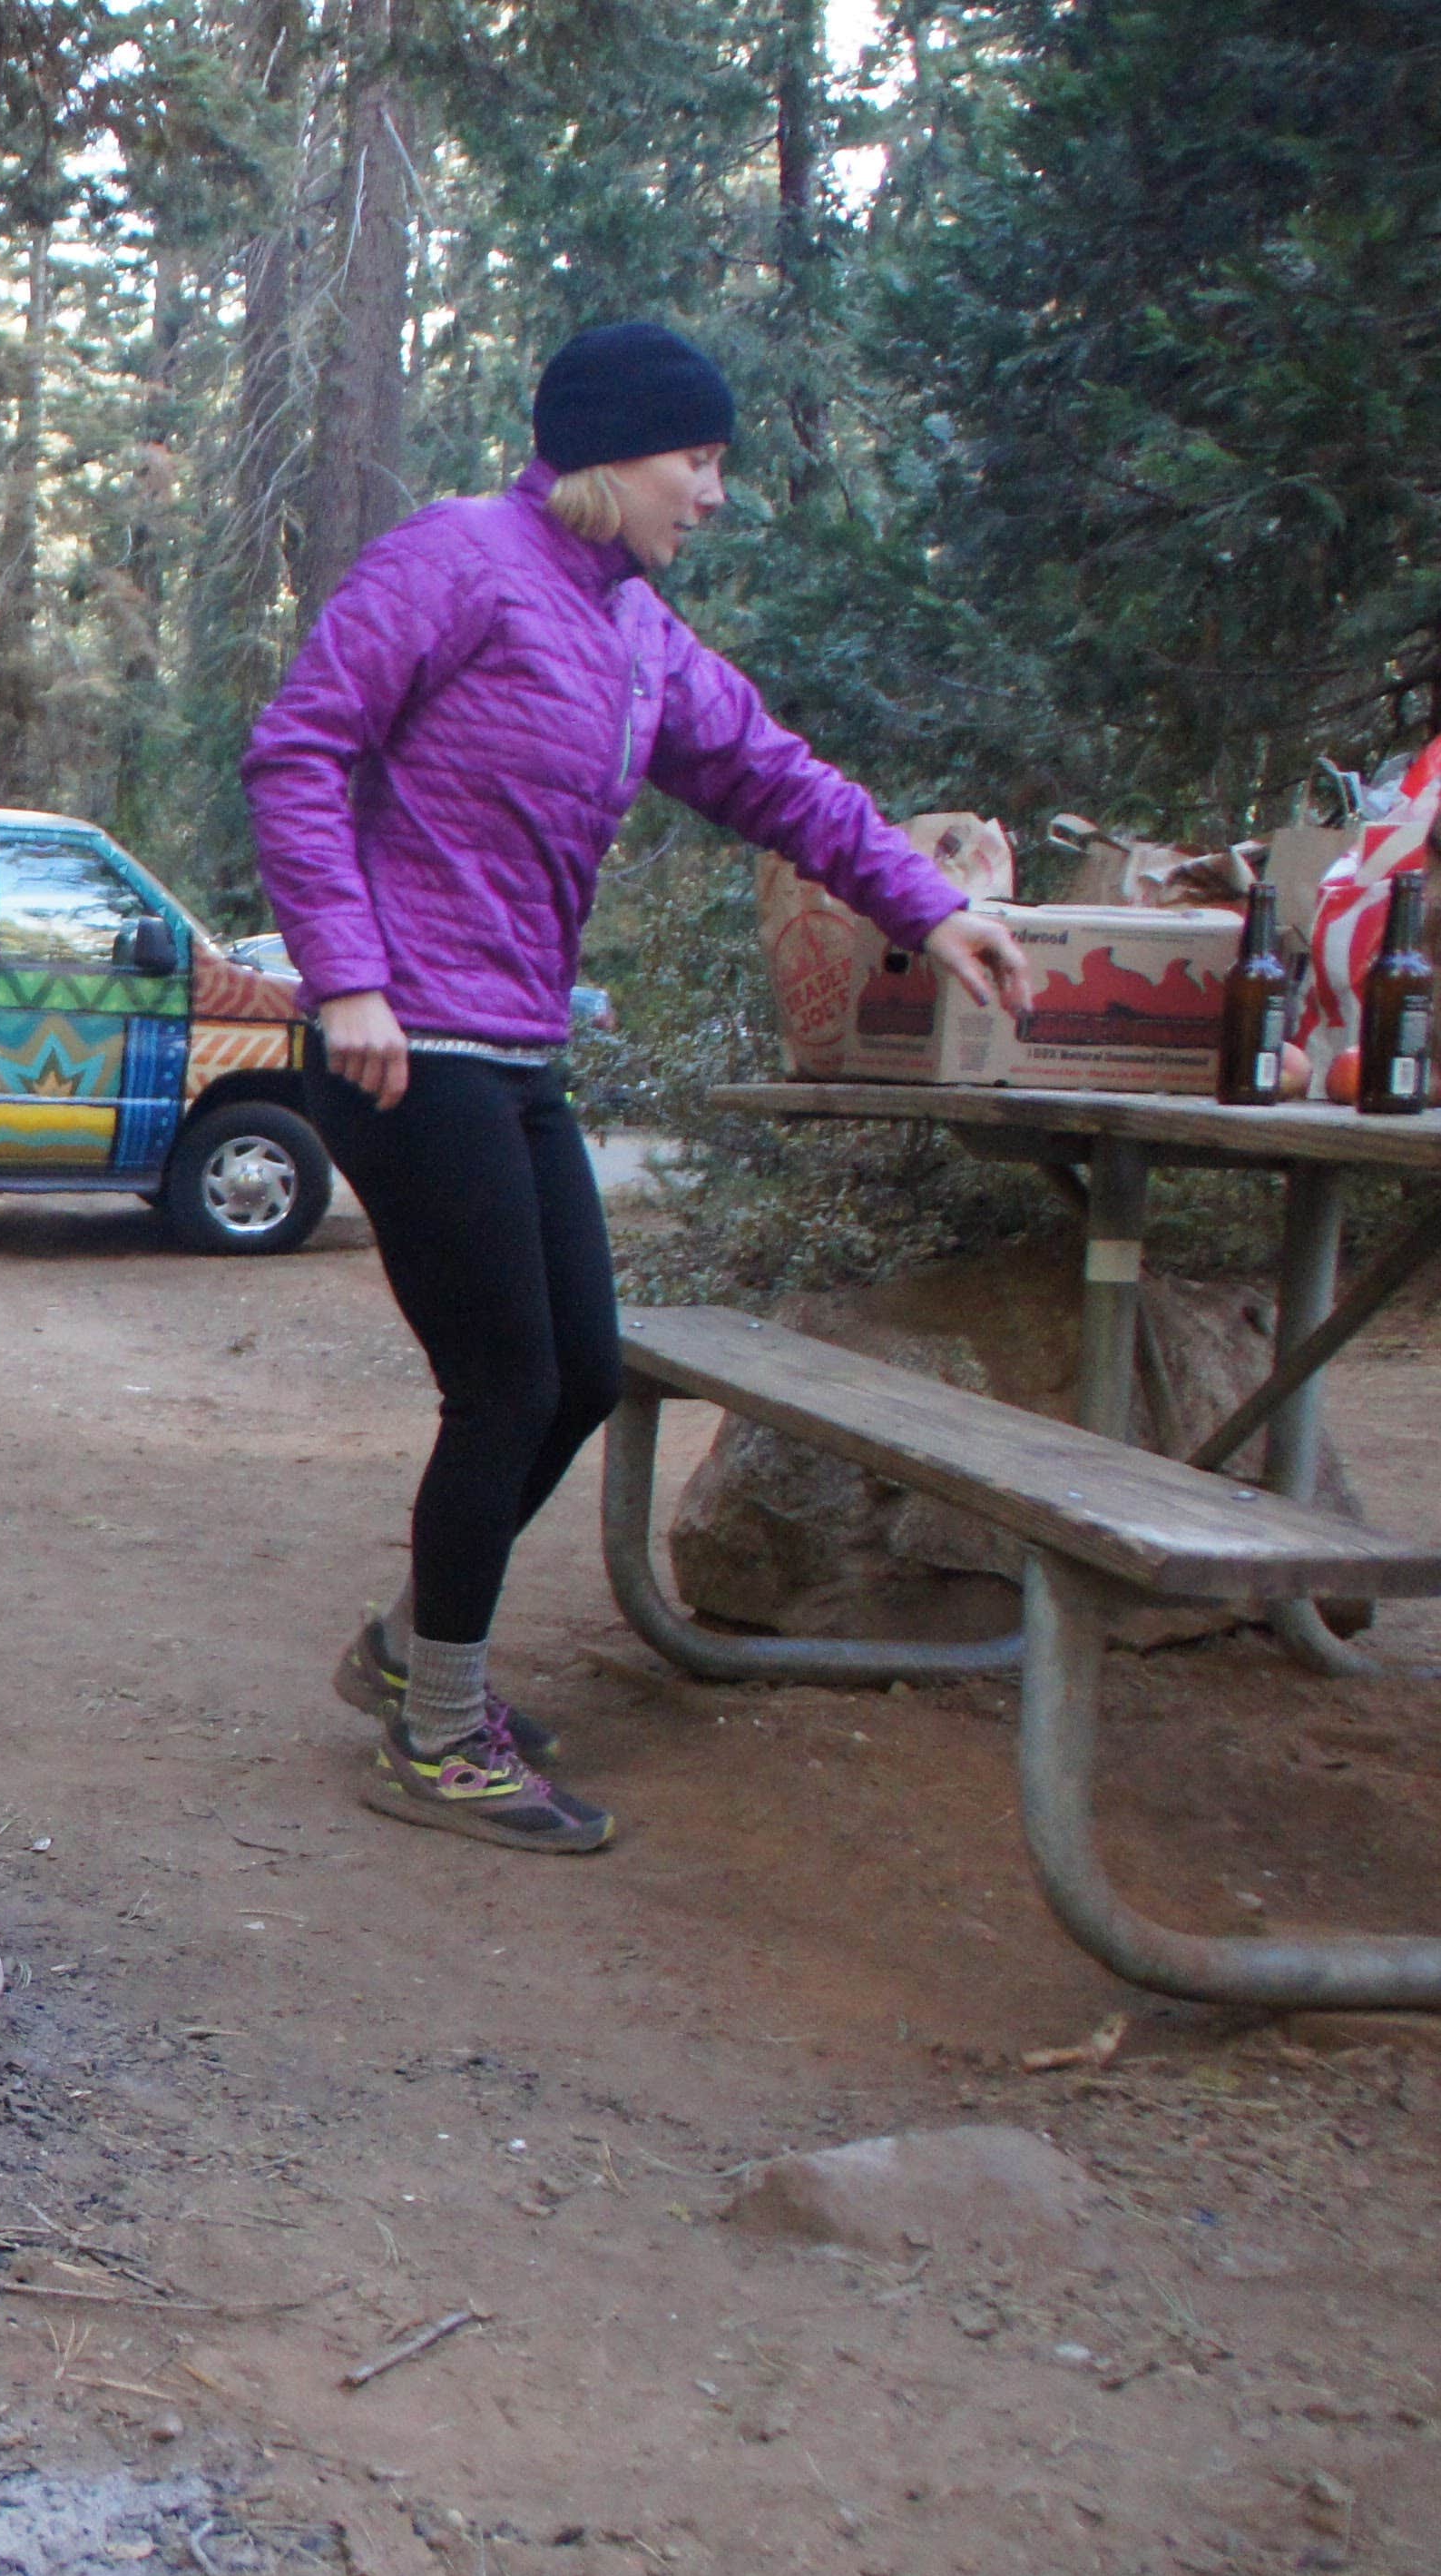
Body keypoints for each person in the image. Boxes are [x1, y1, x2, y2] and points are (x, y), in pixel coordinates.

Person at [241, 320, 1031, 1853]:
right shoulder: (456, 559)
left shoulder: (633, 628)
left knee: (584, 1374)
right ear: (612, 452)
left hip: (515, 1048)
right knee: (509, 1387)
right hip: (403, 1046)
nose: (713, 496)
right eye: (699, 461)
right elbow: (299, 751)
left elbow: (772, 776)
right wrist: (346, 977)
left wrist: (928, 907)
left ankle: (415, 1658)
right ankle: (441, 1738)